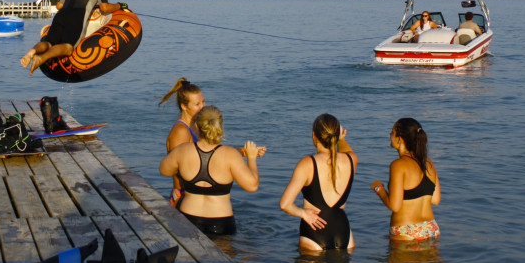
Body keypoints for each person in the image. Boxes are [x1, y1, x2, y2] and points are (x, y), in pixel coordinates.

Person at [159, 105, 265, 235]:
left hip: (188, 218)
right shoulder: (231, 154)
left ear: (197, 126)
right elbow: (252, 186)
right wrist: (252, 158)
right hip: (220, 223)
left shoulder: (183, 150)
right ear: (220, 127)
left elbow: (164, 170)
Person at [20, 0, 125, 74]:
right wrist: (119, 5)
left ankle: (31, 52)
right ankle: (41, 58)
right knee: (68, 47)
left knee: (48, 42)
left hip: (61, 15)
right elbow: (104, 7)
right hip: (76, 16)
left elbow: (59, 5)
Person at [279, 113, 357, 251]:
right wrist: (341, 139)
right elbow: (348, 151)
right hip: (344, 231)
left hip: (314, 232)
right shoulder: (352, 160)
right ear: (337, 135)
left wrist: (303, 214)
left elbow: (285, 204)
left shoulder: (307, 164)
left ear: (314, 136)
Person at [371, 118, 441, 241]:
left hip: (406, 231)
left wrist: (378, 188)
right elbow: (435, 200)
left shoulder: (398, 165)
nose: (390, 135)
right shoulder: (429, 163)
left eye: (392, 132)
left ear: (399, 139)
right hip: (431, 228)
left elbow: (395, 206)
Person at [159, 78, 207, 208]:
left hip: (195, 195)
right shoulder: (181, 131)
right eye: (197, 104)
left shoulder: (196, 126)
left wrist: (243, 151)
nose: (203, 107)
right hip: (183, 196)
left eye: (203, 102)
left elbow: (213, 152)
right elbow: (178, 168)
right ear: (184, 106)